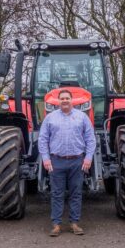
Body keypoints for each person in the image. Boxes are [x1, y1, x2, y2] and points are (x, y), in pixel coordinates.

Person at [38, 89, 96, 237]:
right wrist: (46, 158)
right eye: (62, 98)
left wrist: (88, 158)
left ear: (72, 100)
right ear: (58, 101)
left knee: (76, 193)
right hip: (56, 161)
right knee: (57, 193)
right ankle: (56, 225)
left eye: (67, 98)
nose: (64, 101)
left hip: (77, 161)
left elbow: (90, 139)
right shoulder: (50, 118)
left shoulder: (82, 117)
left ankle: (74, 223)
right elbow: (43, 139)